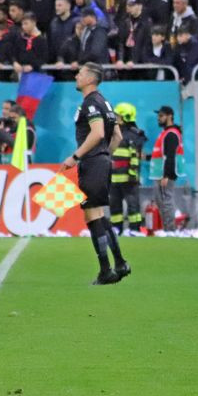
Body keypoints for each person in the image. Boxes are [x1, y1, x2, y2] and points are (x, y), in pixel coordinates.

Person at [60, 62, 130, 285]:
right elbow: (116, 136)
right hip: (101, 162)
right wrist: (105, 156)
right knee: (98, 214)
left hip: (92, 163)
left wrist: (77, 156)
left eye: (80, 73)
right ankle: (119, 263)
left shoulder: (91, 103)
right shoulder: (105, 103)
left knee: (91, 215)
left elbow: (98, 133)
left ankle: (106, 270)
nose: (76, 76)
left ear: (90, 79)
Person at [109, 102, 147, 235]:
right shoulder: (114, 133)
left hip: (128, 178)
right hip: (114, 178)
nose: (115, 118)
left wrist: (132, 175)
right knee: (114, 206)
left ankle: (135, 229)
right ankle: (116, 229)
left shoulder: (134, 135)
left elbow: (135, 157)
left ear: (125, 117)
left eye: (118, 116)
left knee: (133, 205)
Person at [147, 105, 184, 232]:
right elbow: (162, 154)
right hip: (162, 174)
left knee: (166, 201)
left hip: (165, 175)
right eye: (158, 116)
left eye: (161, 116)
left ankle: (170, 230)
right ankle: (168, 229)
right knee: (162, 200)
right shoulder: (167, 133)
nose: (159, 119)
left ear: (170, 116)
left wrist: (166, 175)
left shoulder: (171, 134)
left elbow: (170, 156)